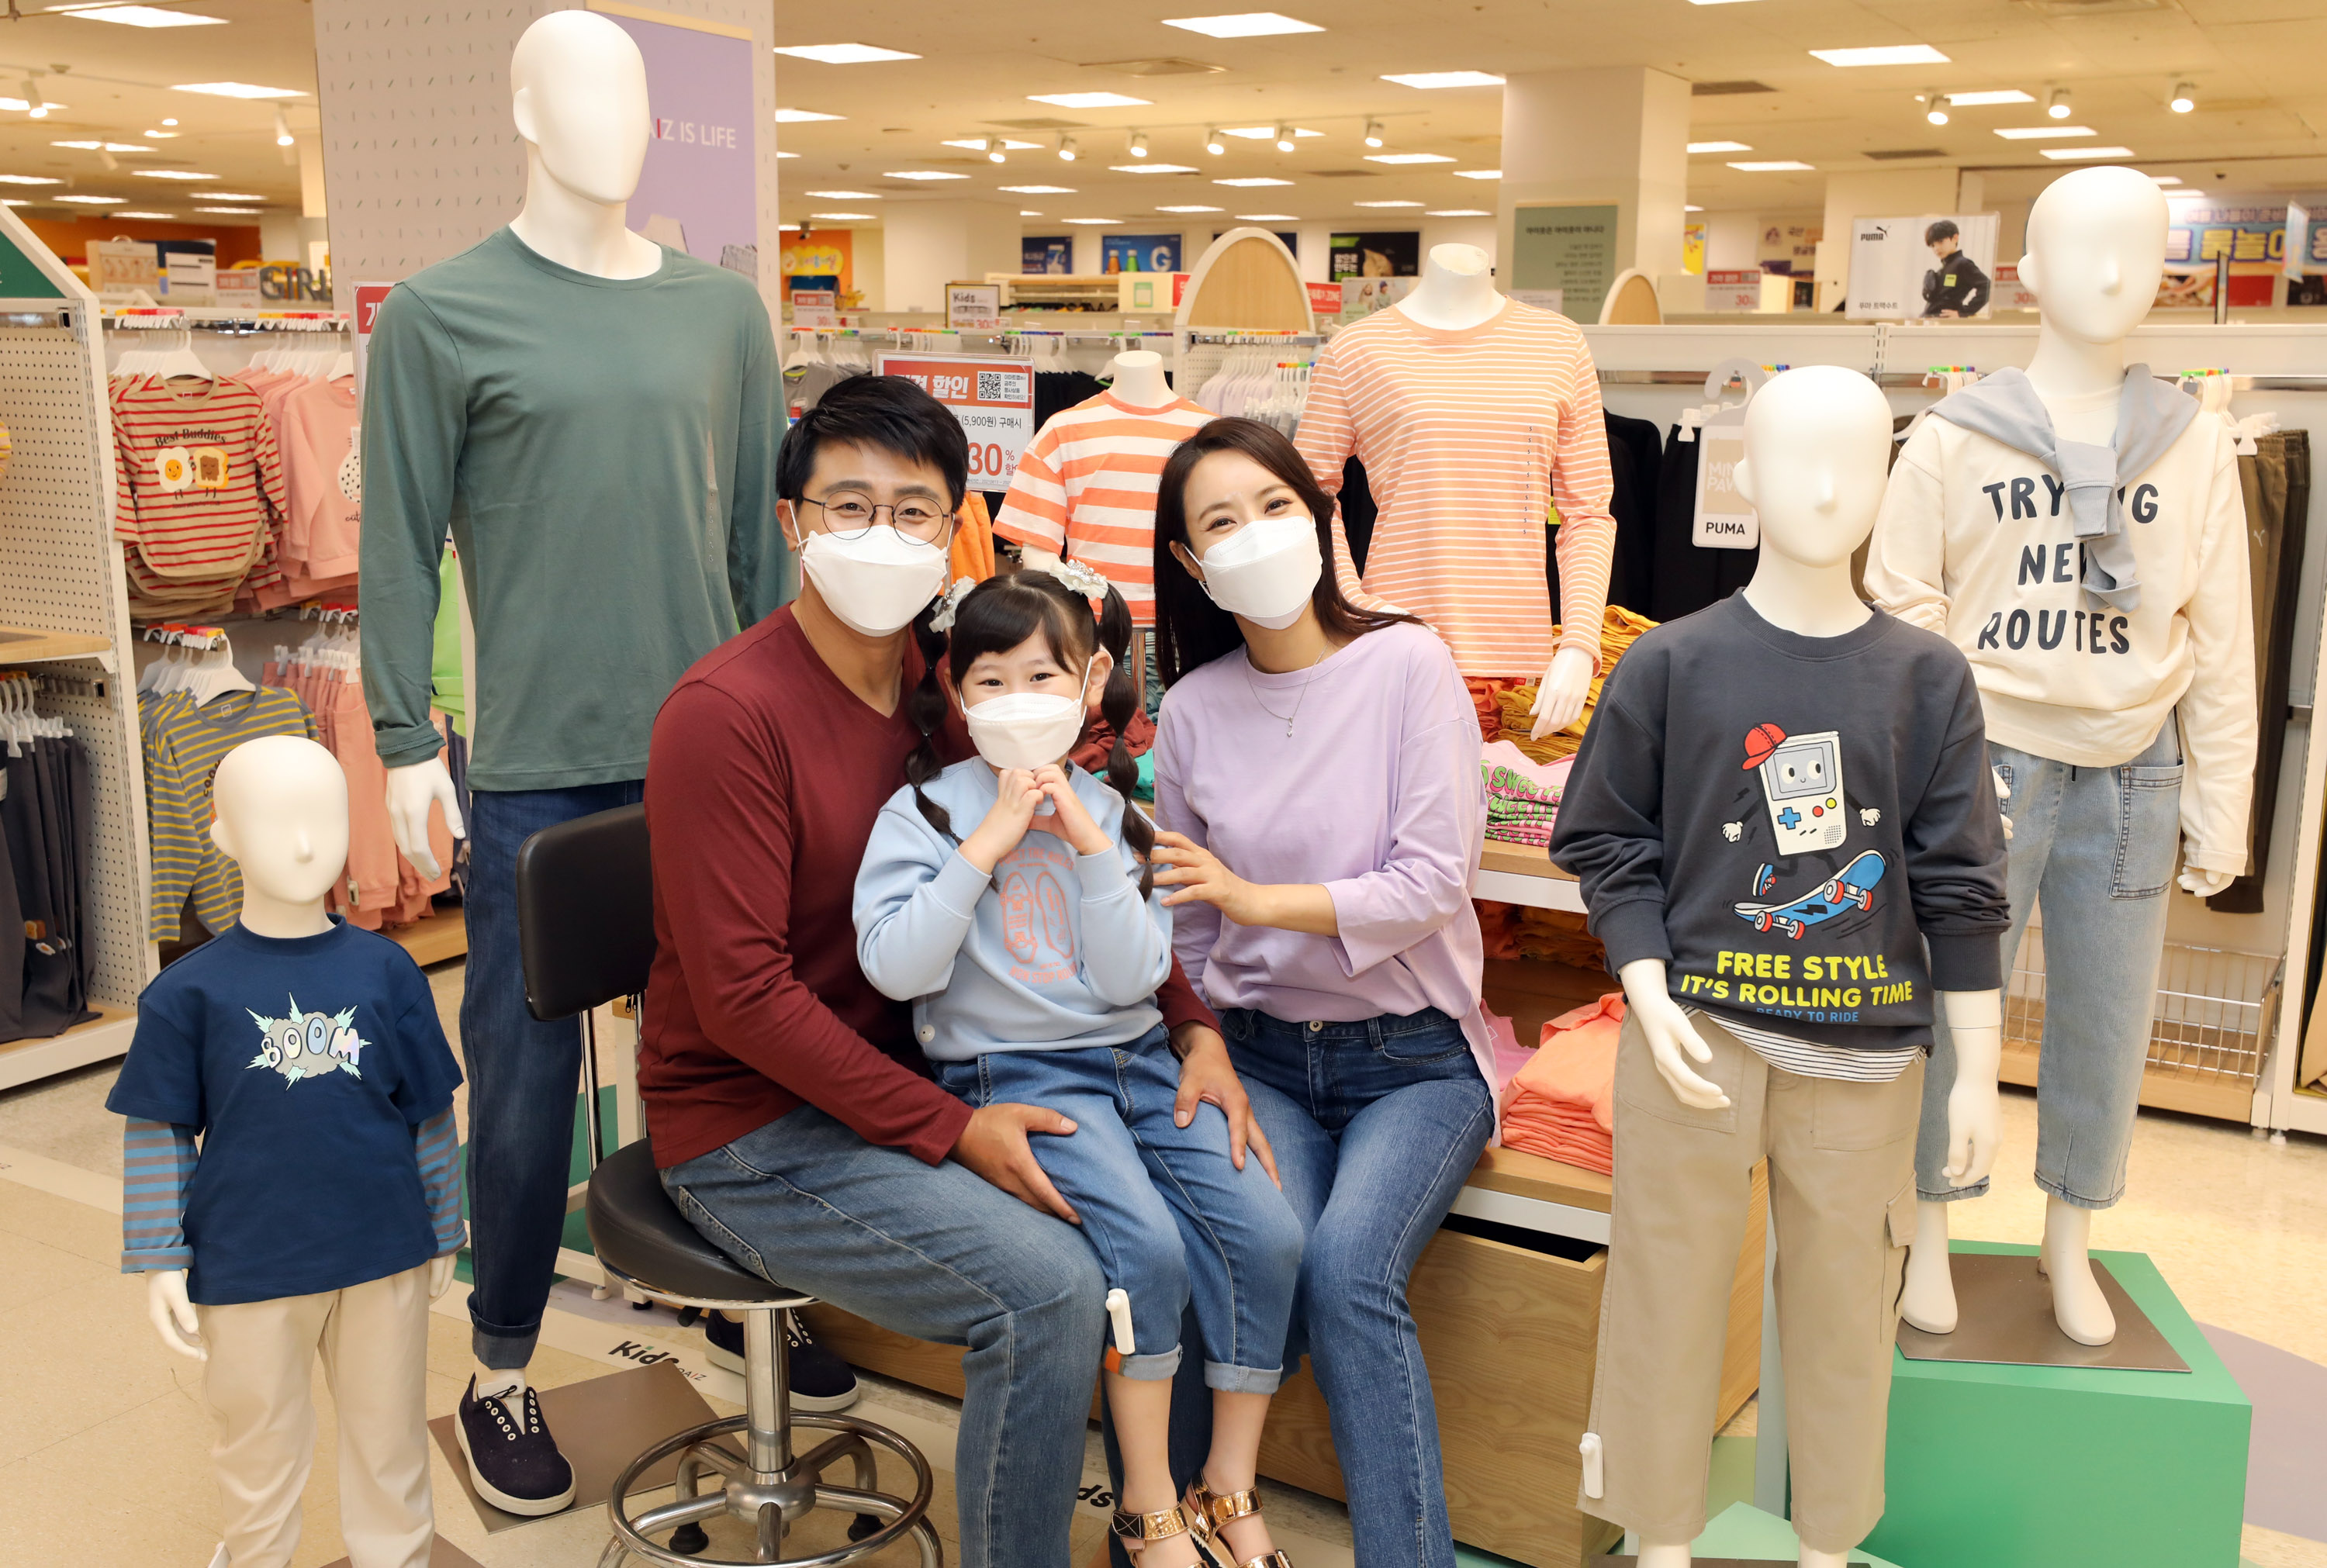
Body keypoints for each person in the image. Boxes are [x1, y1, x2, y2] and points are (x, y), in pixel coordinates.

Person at [640, 375, 1264, 1568]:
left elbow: (1095, 849)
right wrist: (951, 1129)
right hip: (752, 1127)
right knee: (1048, 1290)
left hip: (923, 1074)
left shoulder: (956, 696)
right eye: (849, 505)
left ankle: (1163, 1514)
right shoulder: (727, 714)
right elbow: (743, 999)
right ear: (792, 520)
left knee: (1189, 1219)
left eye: (914, 510)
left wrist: (1190, 1024)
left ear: (956, 529)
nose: (882, 534)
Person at [857, 564, 1305, 1568]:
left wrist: (1094, 850)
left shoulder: (1120, 816)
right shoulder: (922, 813)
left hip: (1138, 1061)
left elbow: (1140, 975)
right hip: (1017, 1075)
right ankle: (1148, 1509)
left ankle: (1228, 1483)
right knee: (1147, 1250)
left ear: (1093, 681)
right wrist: (987, 844)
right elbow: (897, 969)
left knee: (1267, 1233)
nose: (1019, 701)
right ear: (956, 690)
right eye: (992, 681)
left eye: (1044, 678)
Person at [1142, 416, 1497, 1568]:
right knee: (1234, 1249)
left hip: (1414, 1061)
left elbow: (1432, 882)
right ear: (1191, 563)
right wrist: (1197, 1041)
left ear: (1320, 514)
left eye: (1275, 504)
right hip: (1259, 1056)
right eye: (1220, 521)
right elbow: (1187, 923)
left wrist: (1256, 897)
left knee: (1349, 1271)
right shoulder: (1193, 709)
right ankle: (1166, 1528)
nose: (1255, 533)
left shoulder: (1408, 664)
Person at [1921, 219, 1990, 318]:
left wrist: (1964, 312)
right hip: (1932, 320)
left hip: (1945, 322)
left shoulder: (1963, 264)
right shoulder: (1945, 268)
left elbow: (1987, 286)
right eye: (1933, 245)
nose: (1936, 248)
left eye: (1940, 241)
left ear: (1955, 238)